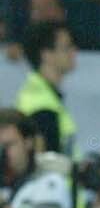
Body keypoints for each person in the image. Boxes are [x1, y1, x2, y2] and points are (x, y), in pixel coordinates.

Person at [16, 19, 77, 156]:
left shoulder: (44, 95)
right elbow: (48, 161)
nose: (74, 52)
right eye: (67, 47)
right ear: (47, 55)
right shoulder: (41, 104)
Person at [0, 107, 70, 208]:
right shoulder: (5, 184)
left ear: (28, 142)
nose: (3, 153)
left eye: (8, 145)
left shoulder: (50, 183)